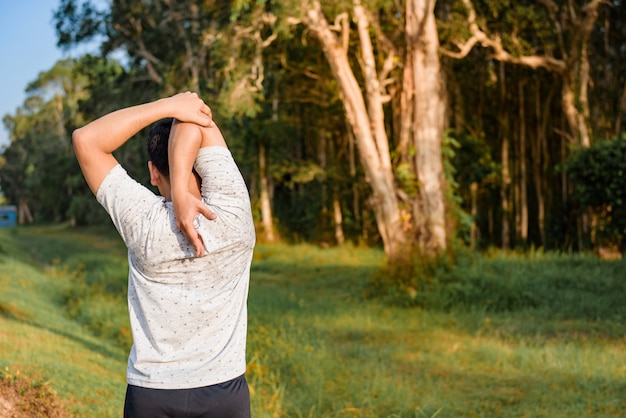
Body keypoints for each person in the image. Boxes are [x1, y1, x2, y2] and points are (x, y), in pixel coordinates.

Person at [72, 92, 256, 417]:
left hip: (152, 394)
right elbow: (197, 118)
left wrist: (166, 105)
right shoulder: (232, 211)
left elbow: (85, 139)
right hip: (223, 392)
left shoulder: (143, 220)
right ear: (204, 157)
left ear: (153, 172)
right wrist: (185, 189)